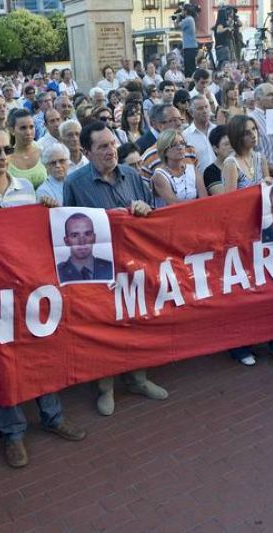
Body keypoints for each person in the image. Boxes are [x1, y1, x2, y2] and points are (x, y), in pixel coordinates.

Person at [0, 121, 86, 467]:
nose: (3, 157)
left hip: (30, 290)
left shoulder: (27, 188)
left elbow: (41, 236)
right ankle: (13, 433)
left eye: (6, 149)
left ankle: (53, 417)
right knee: (4, 365)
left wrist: (49, 215)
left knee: (41, 355)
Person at [64, 121, 169, 416]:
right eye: (102, 147)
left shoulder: (133, 176)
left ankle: (138, 379)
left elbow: (151, 216)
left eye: (112, 144)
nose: (111, 150)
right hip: (97, 272)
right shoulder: (75, 183)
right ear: (86, 151)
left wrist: (144, 210)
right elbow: (67, 228)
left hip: (134, 264)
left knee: (137, 322)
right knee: (104, 329)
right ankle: (106, 388)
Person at [151, 129, 206, 206]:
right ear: (164, 150)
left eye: (182, 143)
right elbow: (174, 204)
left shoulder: (192, 169)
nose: (180, 147)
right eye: (174, 145)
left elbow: (204, 198)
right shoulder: (159, 176)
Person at [56, 212, 114, 282]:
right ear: (66, 241)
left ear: (94, 238)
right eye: (75, 235)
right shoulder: (57, 272)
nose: (82, 241)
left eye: (87, 234)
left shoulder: (111, 268)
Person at [222, 115, 269, 192]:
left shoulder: (261, 158)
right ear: (237, 136)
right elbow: (230, 199)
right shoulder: (232, 163)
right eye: (247, 133)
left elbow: (269, 193)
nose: (253, 135)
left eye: (254, 129)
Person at [183, 95, 216, 175]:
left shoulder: (217, 130)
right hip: (200, 182)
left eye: (206, 107)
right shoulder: (185, 136)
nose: (205, 111)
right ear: (191, 113)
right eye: (200, 108)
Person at [202, 125, 231, 196]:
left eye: (233, 142)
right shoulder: (210, 172)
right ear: (215, 149)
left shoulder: (241, 164)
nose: (231, 147)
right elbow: (224, 197)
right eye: (226, 144)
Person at [177, 5, 198, 77]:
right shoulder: (190, 19)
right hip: (191, 47)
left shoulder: (188, 19)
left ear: (186, 11)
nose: (182, 11)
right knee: (191, 68)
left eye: (183, 10)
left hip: (189, 48)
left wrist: (178, 17)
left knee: (189, 69)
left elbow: (177, 26)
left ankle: (190, 84)